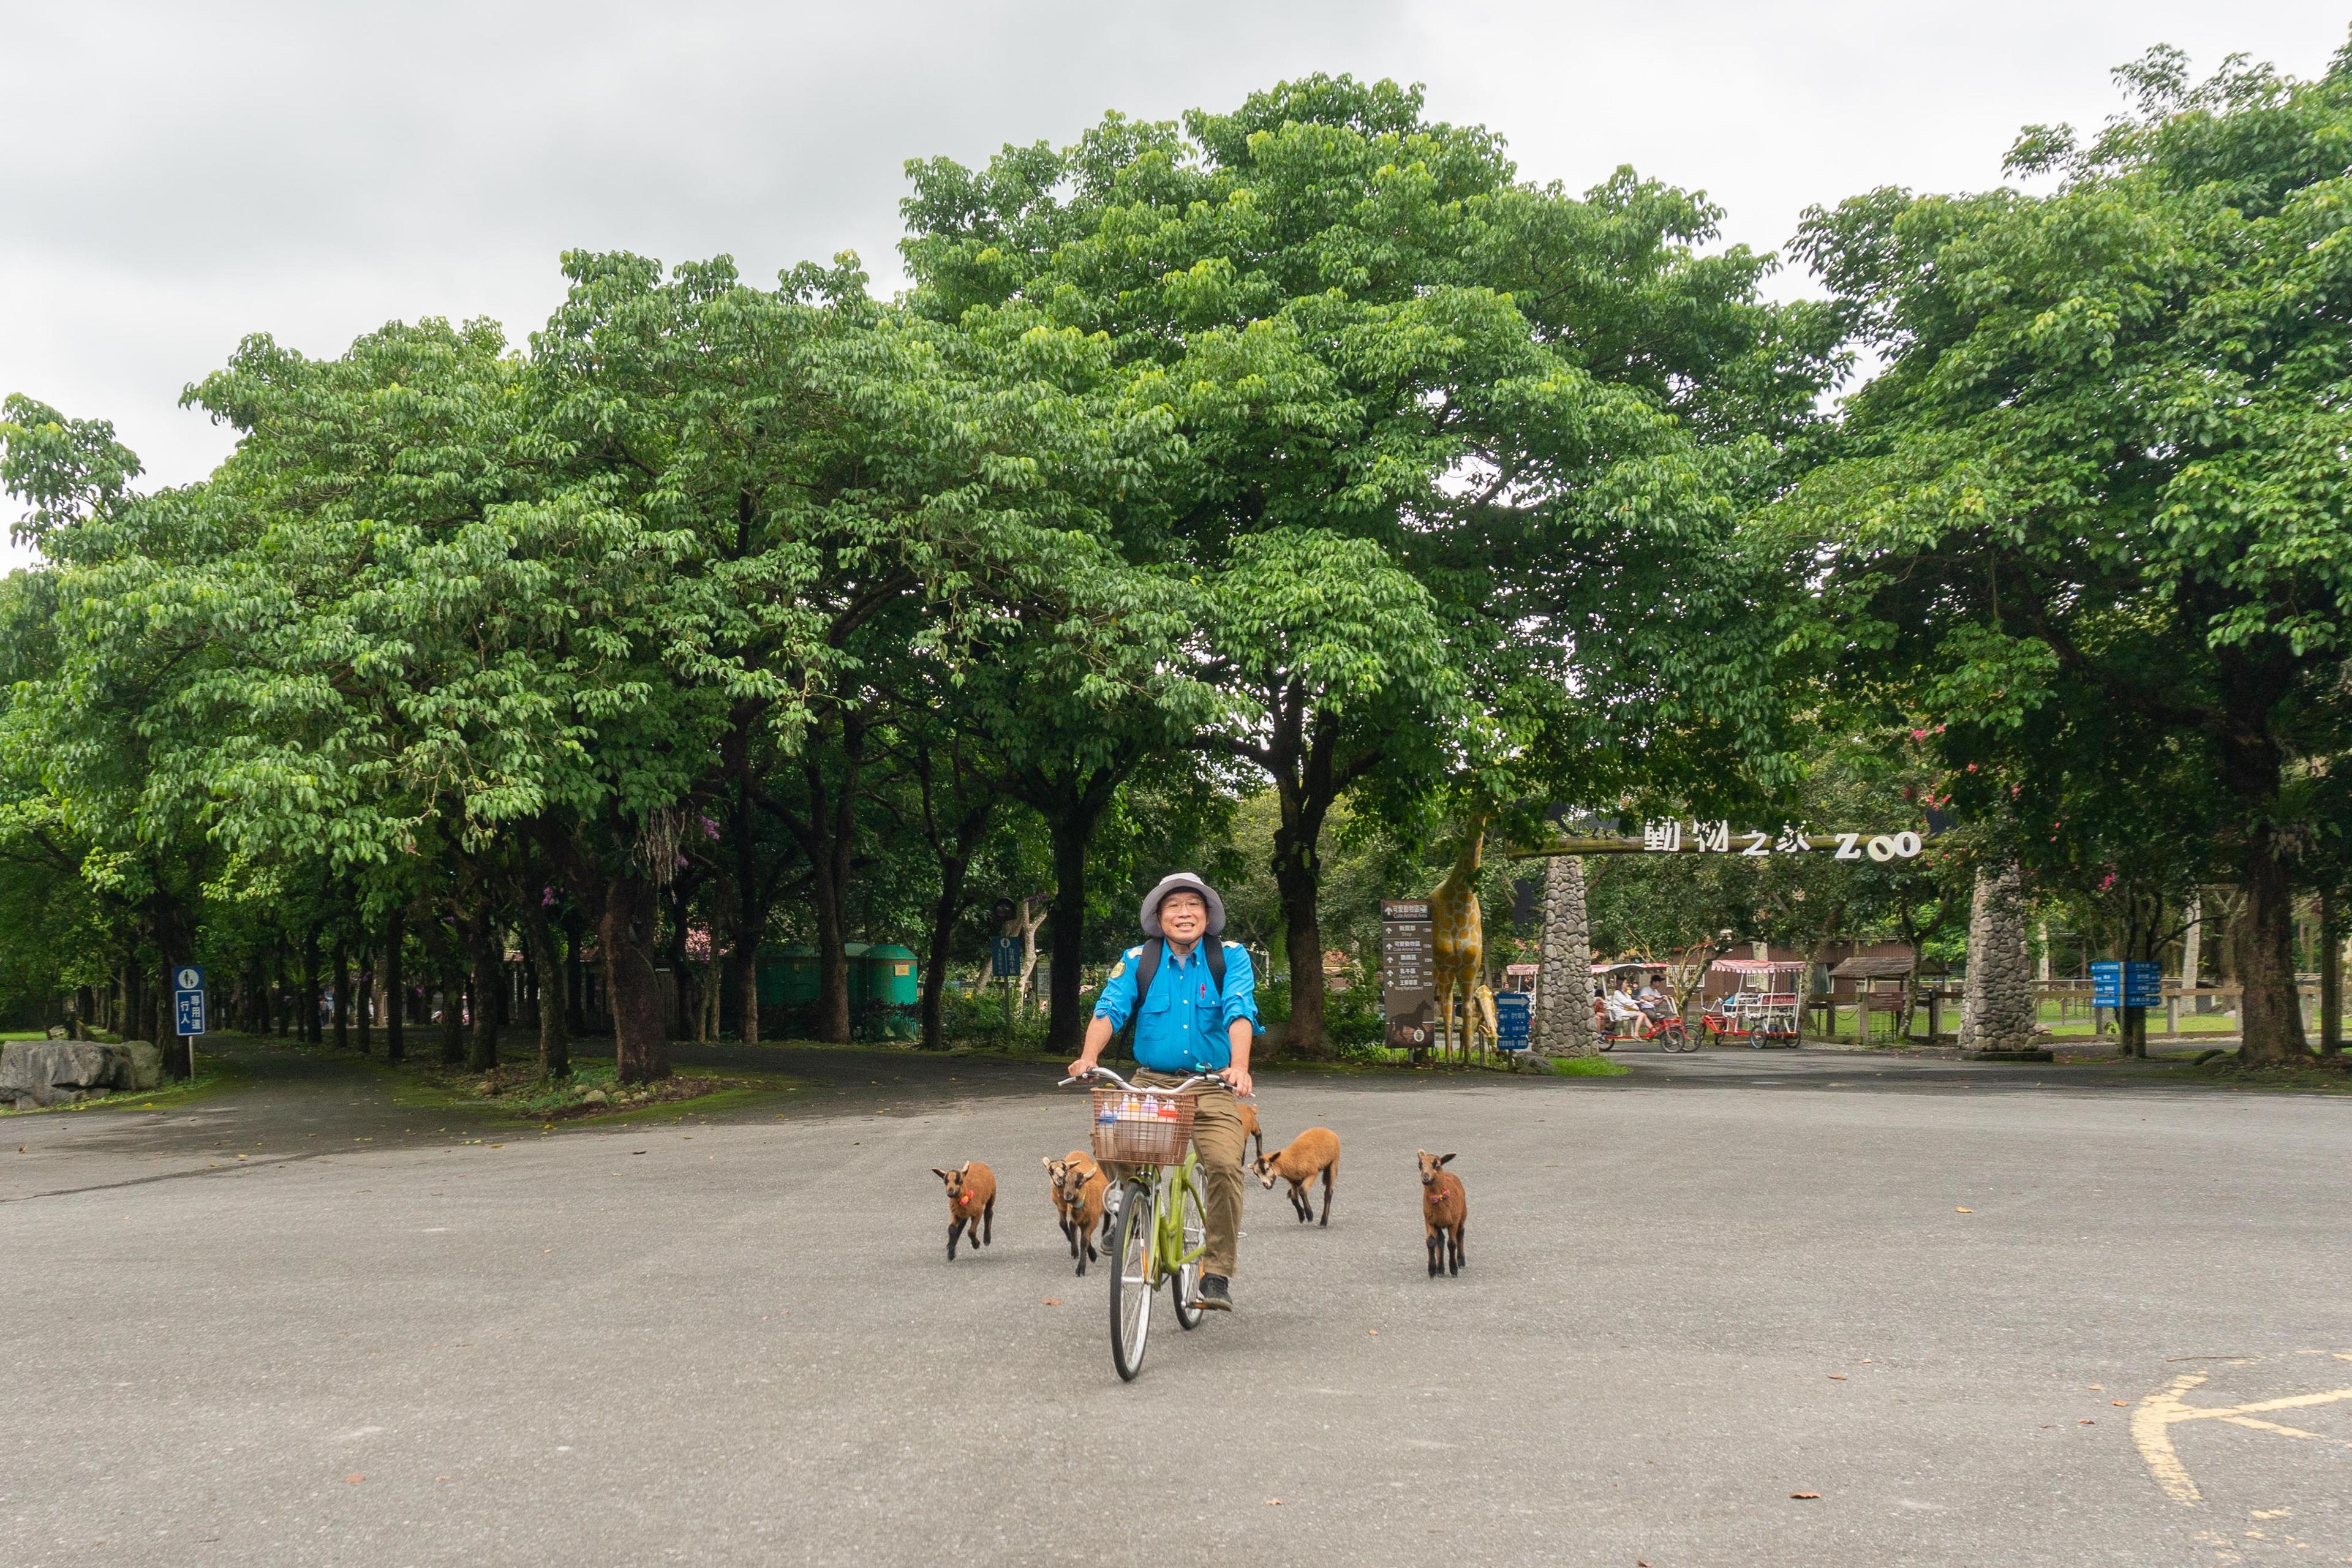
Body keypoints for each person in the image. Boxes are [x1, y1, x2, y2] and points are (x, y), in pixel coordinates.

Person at [1068, 872, 1258, 1313]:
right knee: (1112, 1126)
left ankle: (1216, 1273)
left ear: (1208, 915)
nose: (1184, 913)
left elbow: (1239, 1010)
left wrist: (1240, 1068)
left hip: (1212, 1083)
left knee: (1227, 1168)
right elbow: (1110, 1009)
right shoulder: (1139, 959)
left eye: (1194, 904)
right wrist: (1088, 1057)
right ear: (1159, 916)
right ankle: (1123, 1199)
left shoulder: (1230, 957)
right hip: (1153, 1080)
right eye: (1174, 906)